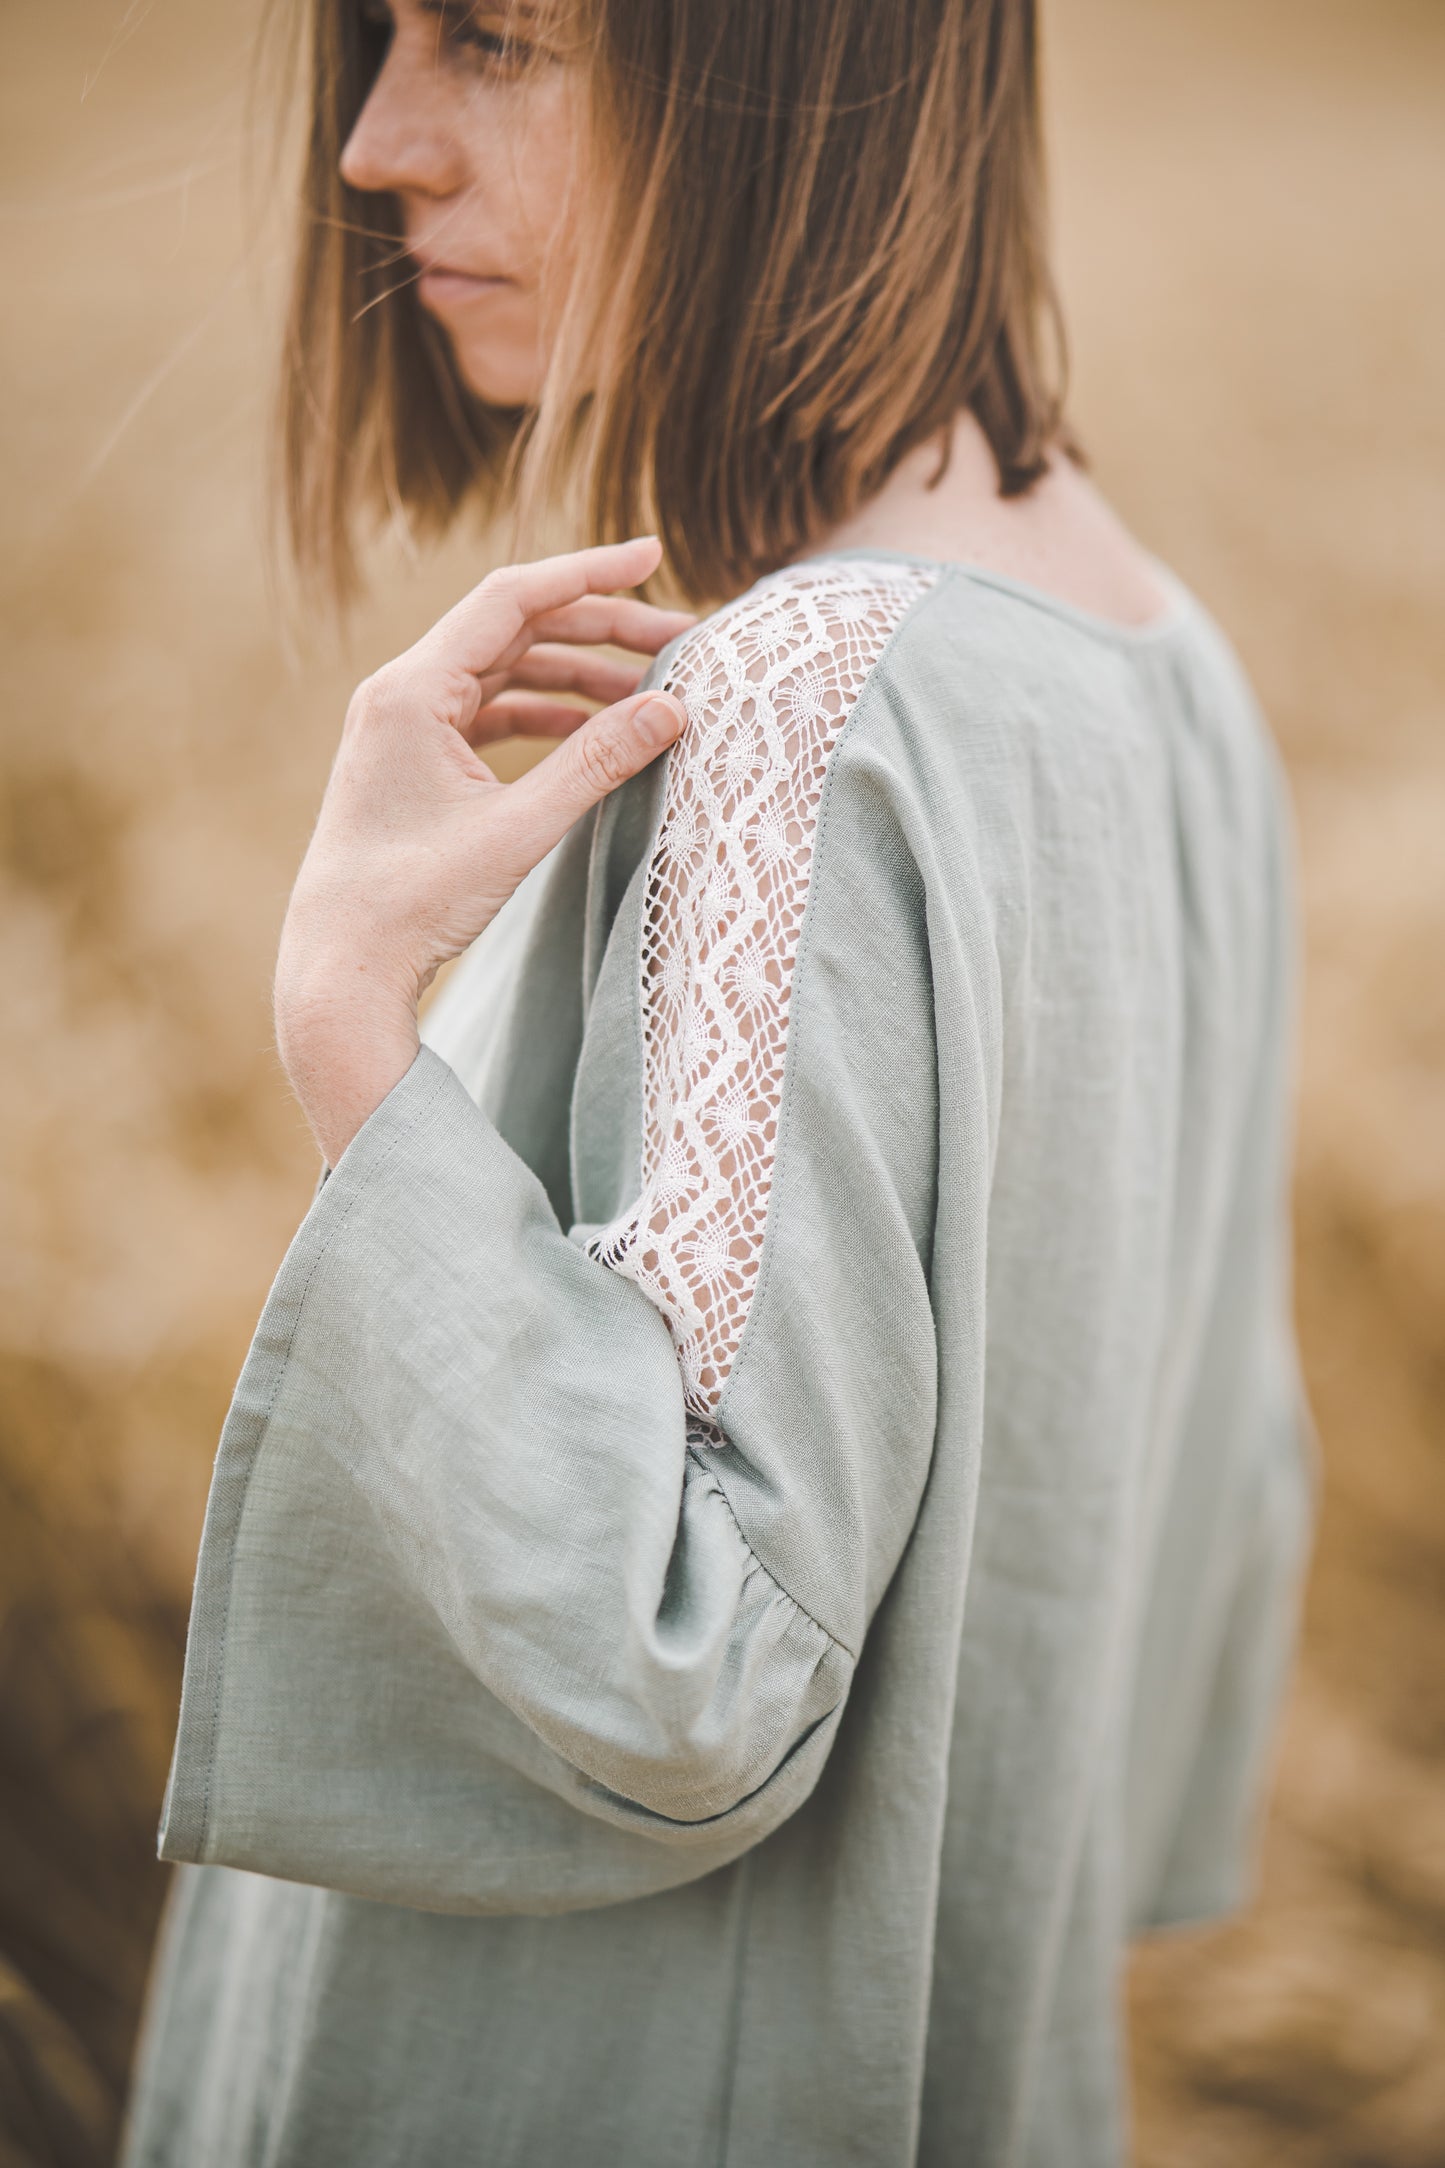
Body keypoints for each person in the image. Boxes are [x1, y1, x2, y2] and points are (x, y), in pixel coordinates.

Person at [120, 1, 1320, 2162]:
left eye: (490, 36)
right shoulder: (1159, 651)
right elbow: (1192, 1533)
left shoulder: (796, 706)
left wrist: (346, 1018)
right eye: (382, 36)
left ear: (801, 62)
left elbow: (673, 1670)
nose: (379, 141)